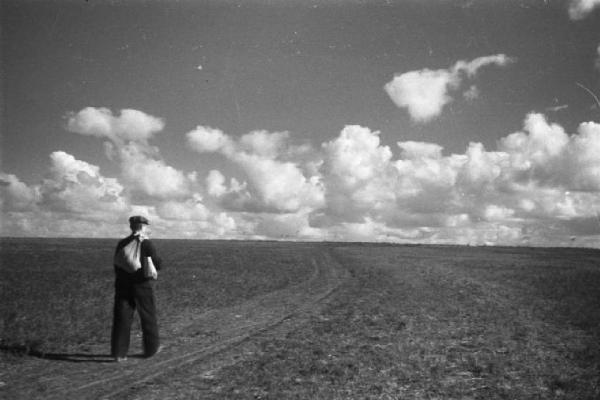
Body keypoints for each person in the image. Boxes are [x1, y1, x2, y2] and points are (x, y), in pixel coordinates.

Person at [111, 215, 163, 362]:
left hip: (122, 285)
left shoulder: (122, 243)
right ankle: (151, 349)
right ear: (144, 226)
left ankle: (119, 353)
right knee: (148, 316)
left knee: (122, 318)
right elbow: (157, 264)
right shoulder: (146, 244)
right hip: (141, 285)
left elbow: (117, 264)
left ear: (131, 226)